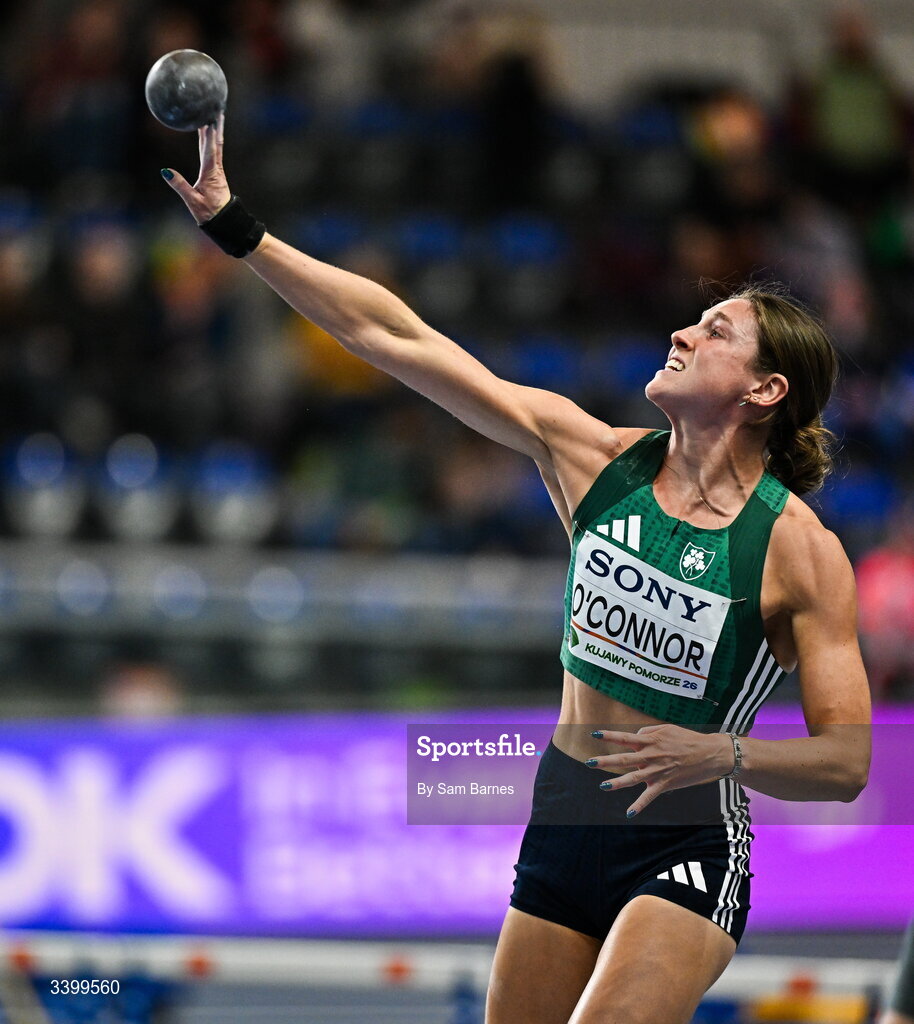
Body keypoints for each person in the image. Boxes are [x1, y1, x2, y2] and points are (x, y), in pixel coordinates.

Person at [161, 116, 872, 1024]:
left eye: (715, 330)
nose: (681, 332)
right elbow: (397, 336)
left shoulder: (798, 550)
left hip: (684, 837)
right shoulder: (591, 459)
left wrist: (721, 752)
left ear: (764, 391)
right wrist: (240, 231)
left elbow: (849, 761)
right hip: (564, 812)